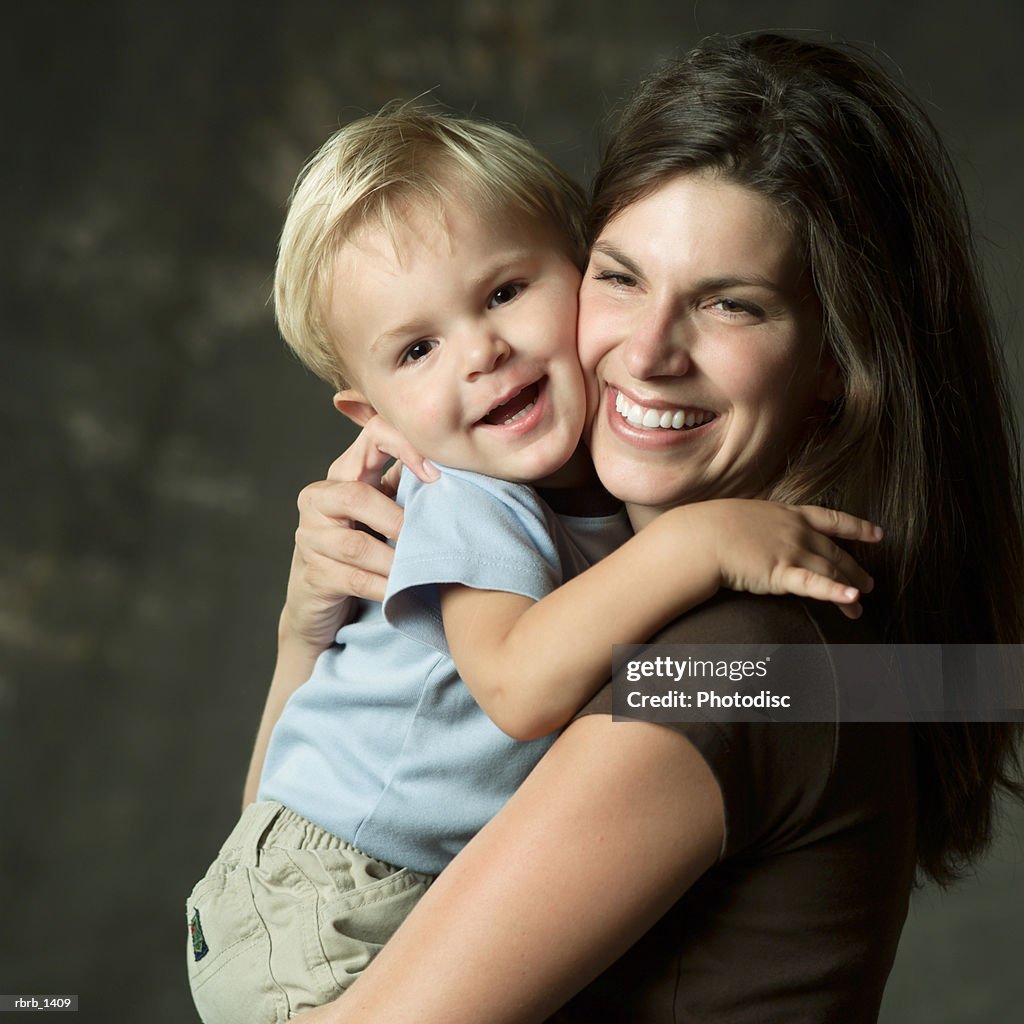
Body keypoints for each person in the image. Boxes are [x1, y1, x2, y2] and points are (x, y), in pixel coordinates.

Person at [283, 33, 1024, 1024]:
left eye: (731, 304)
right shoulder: (774, 638)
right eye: (620, 276)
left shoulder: (726, 666)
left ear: (836, 368)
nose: (644, 351)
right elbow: (280, 839)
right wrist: (309, 633)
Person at [186, 105, 879, 1023]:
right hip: (325, 901)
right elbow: (516, 684)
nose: (482, 351)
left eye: (507, 291)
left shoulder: (743, 654)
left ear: (572, 266)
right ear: (375, 414)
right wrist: (696, 542)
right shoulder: (475, 498)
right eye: (418, 350)